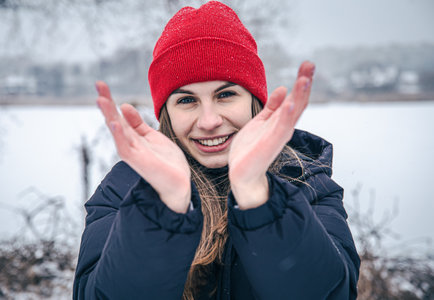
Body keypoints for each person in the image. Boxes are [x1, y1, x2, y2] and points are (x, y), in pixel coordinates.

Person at [73, 1, 360, 299]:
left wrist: (257, 197)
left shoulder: (307, 181)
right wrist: (164, 208)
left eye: (225, 95)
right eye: (187, 100)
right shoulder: (124, 190)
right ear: (166, 114)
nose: (209, 121)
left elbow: (332, 292)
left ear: (254, 101)